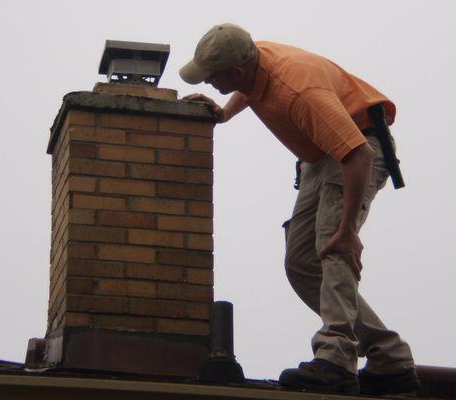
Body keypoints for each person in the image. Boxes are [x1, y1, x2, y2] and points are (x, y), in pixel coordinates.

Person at [180, 23, 420, 396]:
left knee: (332, 246)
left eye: (213, 77)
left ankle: (336, 361)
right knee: (301, 262)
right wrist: (225, 114)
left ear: (237, 71)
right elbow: (254, 88)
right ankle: (389, 357)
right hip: (321, 153)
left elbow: (359, 154)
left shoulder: (300, 91)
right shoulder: (250, 57)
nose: (207, 81)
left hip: (357, 146)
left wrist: (347, 231)